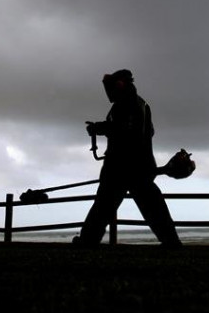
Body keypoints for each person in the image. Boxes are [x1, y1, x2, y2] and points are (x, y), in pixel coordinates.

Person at [73, 69, 182, 247]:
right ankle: (172, 243)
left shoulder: (127, 104)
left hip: (122, 167)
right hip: (139, 166)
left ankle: (87, 241)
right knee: (152, 208)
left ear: (119, 86)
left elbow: (124, 130)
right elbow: (147, 131)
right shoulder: (139, 103)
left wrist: (99, 128)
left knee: (104, 206)